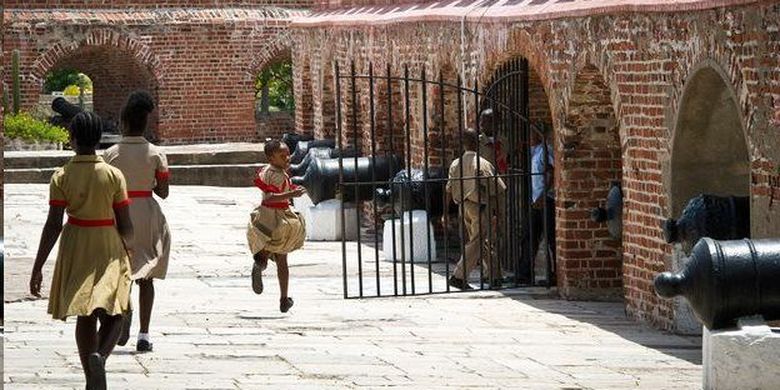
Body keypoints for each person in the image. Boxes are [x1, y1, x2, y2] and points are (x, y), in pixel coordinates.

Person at [29, 111, 133, 390]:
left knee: (84, 312)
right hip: (107, 242)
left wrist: (38, 265)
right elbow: (125, 223)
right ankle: (100, 354)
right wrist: (129, 250)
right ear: (99, 139)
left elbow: (53, 225)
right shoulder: (113, 175)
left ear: (72, 139)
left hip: (75, 241)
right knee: (117, 310)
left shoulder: (61, 176)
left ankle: (90, 375)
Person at [103, 91, 171, 353]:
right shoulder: (156, 153)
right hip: (147, 213)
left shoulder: (110, 154)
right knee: (147, 275)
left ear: (123, 123)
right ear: (146, 123)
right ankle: (144, 334)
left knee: (122, 273)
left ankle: (122, 313)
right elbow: (163, 192)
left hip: (119, 213)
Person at [246, 140, 307, 313]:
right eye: (282, 156)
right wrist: (292, 193)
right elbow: (270, 198)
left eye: (288, 154)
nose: (287, 158)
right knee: (282, 259)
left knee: (269, 248)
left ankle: (261, 264)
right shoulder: (278, 174)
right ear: (271, 157)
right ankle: (283, 297)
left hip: (265, 217)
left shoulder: (268, 170)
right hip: (278, 218)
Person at [443, 128, 506, 290]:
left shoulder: (455, 164)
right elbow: (497, 190)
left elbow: (448, 189)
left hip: (463, 206)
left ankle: (495, 275)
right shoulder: (483, 164)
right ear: (477, 143)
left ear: (463, 144)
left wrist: (445, 213)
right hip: (479, 207)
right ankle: (458, 276)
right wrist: (498, 212)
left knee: (480, 241)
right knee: (477, 242)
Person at [519, 128, 556, 283]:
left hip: (544, 200)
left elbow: (551, 172)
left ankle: (555, 274)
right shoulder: (533, 151)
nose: (529, 137)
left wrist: (543, 195)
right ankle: (525, 273)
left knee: (550, 238)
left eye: (532, 134)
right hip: (536, 200)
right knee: (529, 237)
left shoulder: (544, 151)